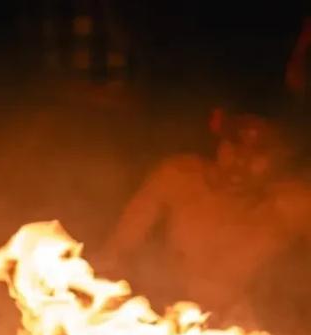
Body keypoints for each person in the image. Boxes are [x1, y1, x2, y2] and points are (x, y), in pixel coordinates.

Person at [104, 104, 311, 319]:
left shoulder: (295, 206)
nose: (241, 161)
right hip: (161, 320)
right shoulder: (179, 176)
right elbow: (116, 251)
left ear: (282, 156)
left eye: (259, 151)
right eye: (235, 143)